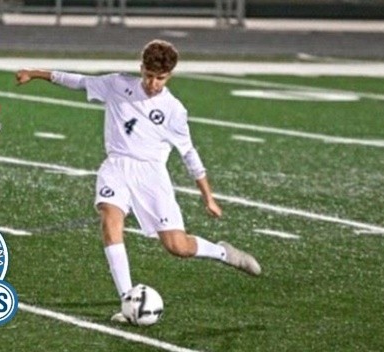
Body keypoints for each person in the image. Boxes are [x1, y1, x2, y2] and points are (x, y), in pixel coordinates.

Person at [16, 39, 261, 323]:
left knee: (177, 246)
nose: (153, 83)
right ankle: (127, 299)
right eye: (149, 75)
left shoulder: (174, 110)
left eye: (161, 78)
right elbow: (79, 81)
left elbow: (189, 153)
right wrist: (34, 73)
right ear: (141, 68)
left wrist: (207, 196)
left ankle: (222, 252)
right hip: (116, 166)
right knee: (110, 220)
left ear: (170, 76)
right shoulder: (117, 84)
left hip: (152, 174)